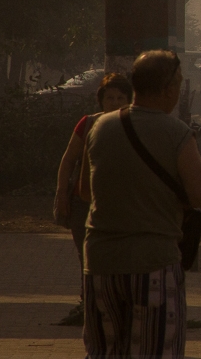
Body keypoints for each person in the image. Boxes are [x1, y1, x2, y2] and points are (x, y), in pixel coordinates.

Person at [79, 50, 201, 359]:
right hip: (153, 265)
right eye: (178, 84)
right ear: (168, 90)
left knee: (104, 351)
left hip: (101, 262)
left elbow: (85, 192)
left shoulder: (98, 127)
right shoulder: (176, 133)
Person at [53, 73, 133, 326]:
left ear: (130, 101)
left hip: (120, 205)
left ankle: (114, 305)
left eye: (121, 97)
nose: (115, 102)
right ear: (100, 101)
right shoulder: (87, 124)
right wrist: (60, 195)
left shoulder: (135, 126)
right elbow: (67, 161)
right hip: (83, 202)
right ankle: (87, 305)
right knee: (86, 257)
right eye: (109, 97)